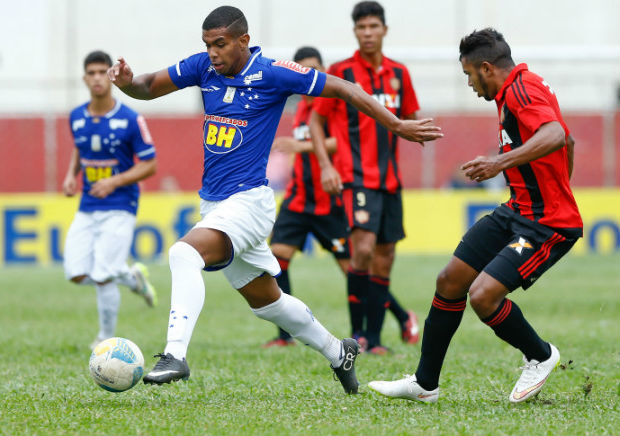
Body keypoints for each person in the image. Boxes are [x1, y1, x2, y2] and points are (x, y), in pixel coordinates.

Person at [107, 6, 442, 394]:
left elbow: (345, 88)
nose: (213, 53)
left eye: (220, 44)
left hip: (249, 202)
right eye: (207, 45)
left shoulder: (273, 72)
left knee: (183, 254)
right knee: (269, 302)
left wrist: (396, 124)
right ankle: (339, 352)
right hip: (215, 205)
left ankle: (175, 355)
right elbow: (148, 87)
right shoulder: (203, 68)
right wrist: (127, 83)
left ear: (243, 41)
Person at [368, 28, 582, 403]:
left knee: (483, 296)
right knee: (451, 280)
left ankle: (540, 355)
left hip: (546, 223)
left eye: (468, 74)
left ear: (486, 68)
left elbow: (555, 134)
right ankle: (425, 384)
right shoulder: (519, 86)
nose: (468, 83)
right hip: (517, 210)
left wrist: (501, 163)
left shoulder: (522, 90)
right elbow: (569, 141)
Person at [309, 1, 423, 355]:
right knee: (362, 251)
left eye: (374, 27)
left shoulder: (399, 74)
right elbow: (316, 120)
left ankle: (374, 340)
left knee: (385, 257)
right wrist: (327, 166)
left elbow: (410, 117)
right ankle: (357, 335)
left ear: (384, 30)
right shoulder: (341, 72)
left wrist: (421, 130)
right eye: (362, 28)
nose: (368, 33)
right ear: (355, 32)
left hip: (391, 181)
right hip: (356, 180)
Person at [63, 50, 158, 350]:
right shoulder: (76, 116)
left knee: (103, 273)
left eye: (102, 71)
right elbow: (81, 147)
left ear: (111, 75)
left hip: (121, 204)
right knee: (76, 272)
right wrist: (71, 175)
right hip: (88, 204)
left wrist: (114, 181)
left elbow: (150, 164)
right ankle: (132, 278)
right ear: (84, 78)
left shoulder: (131, 118)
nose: (96, 78)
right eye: (91, 73)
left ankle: (105, 338)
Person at [264, 46, 351, 347]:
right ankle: (283, 335)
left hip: (329, 201)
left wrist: (300, 147)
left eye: (315, 69)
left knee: (353, 270)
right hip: (299, 199)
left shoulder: (333, 104)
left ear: (323, 70)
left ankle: (400, 318)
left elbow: (341, 143)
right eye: (304, 71)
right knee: (277, 261)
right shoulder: (301, 106)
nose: (310, 77)